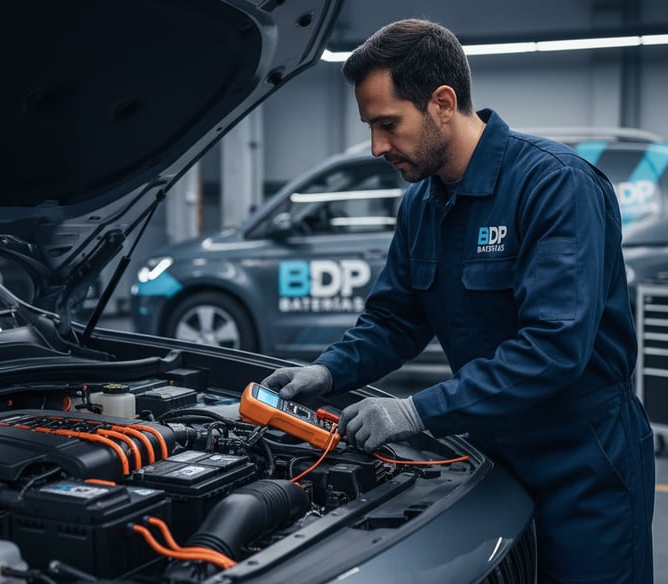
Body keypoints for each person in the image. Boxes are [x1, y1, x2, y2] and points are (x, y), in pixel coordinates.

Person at [261, 18, 655, 583]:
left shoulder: (554, 185)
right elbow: (394, 319)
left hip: (583, 464)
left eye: (387, 124)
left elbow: (553, 348)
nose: (377, 147)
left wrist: (415, 411)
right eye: (370, 127)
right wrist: (325, 371)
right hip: (493, 456)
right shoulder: (422, 204)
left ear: (443, 102)